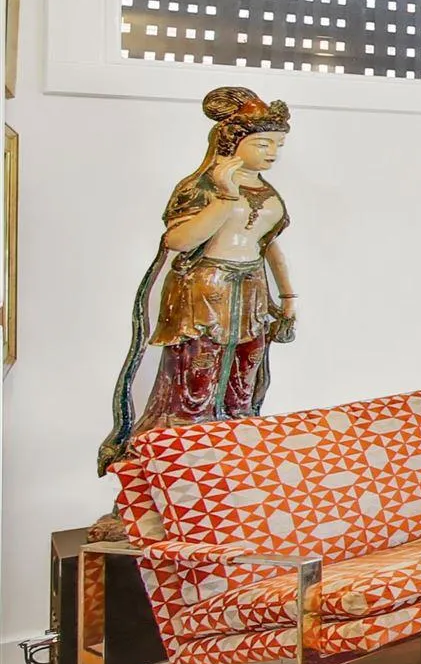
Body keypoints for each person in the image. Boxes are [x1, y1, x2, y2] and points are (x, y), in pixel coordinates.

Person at [99, 87, 299, 473]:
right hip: (205, 290)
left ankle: (231, 469)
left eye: (279, 144)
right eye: (263, 143)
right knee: (194, 383)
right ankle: (177, 472)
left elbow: (269, 244)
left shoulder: (268, 190)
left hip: (251, 292)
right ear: (233, 141)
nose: (273, 151)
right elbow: (177, 239)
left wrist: (288, 294)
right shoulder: (201, 185)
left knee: (243, 381)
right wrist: (224, 198)